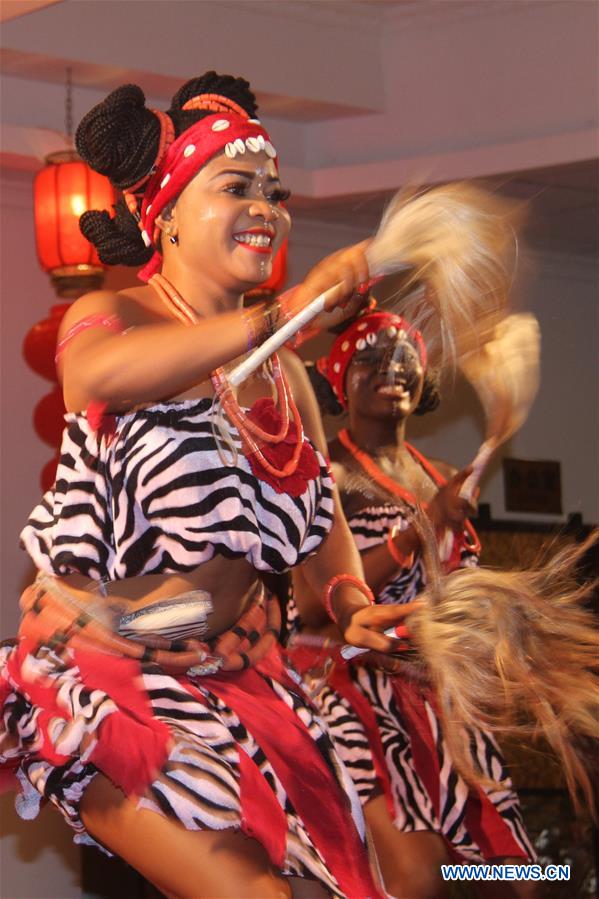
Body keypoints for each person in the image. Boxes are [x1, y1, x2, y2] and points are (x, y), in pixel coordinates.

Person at [0, 73, 411, 899]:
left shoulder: (287, 375)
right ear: (169, 215)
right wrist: (278, 313)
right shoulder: (115, 315)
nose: (266, 206)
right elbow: (97, 378)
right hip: (114, 671)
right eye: (236, 187)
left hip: (243, 674)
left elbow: (316, 524)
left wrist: (351, 602)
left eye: (274, 190)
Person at [288, 308, 540, 899]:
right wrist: (418, 529)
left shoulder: (444, 475)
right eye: (370, 359)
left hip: (439, 696)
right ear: (338, 375)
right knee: (416, 877)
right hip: (354, 687)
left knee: (522, 877)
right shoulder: (329, 475)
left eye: (404, 361)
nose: (391, 370)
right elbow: (312, 605)